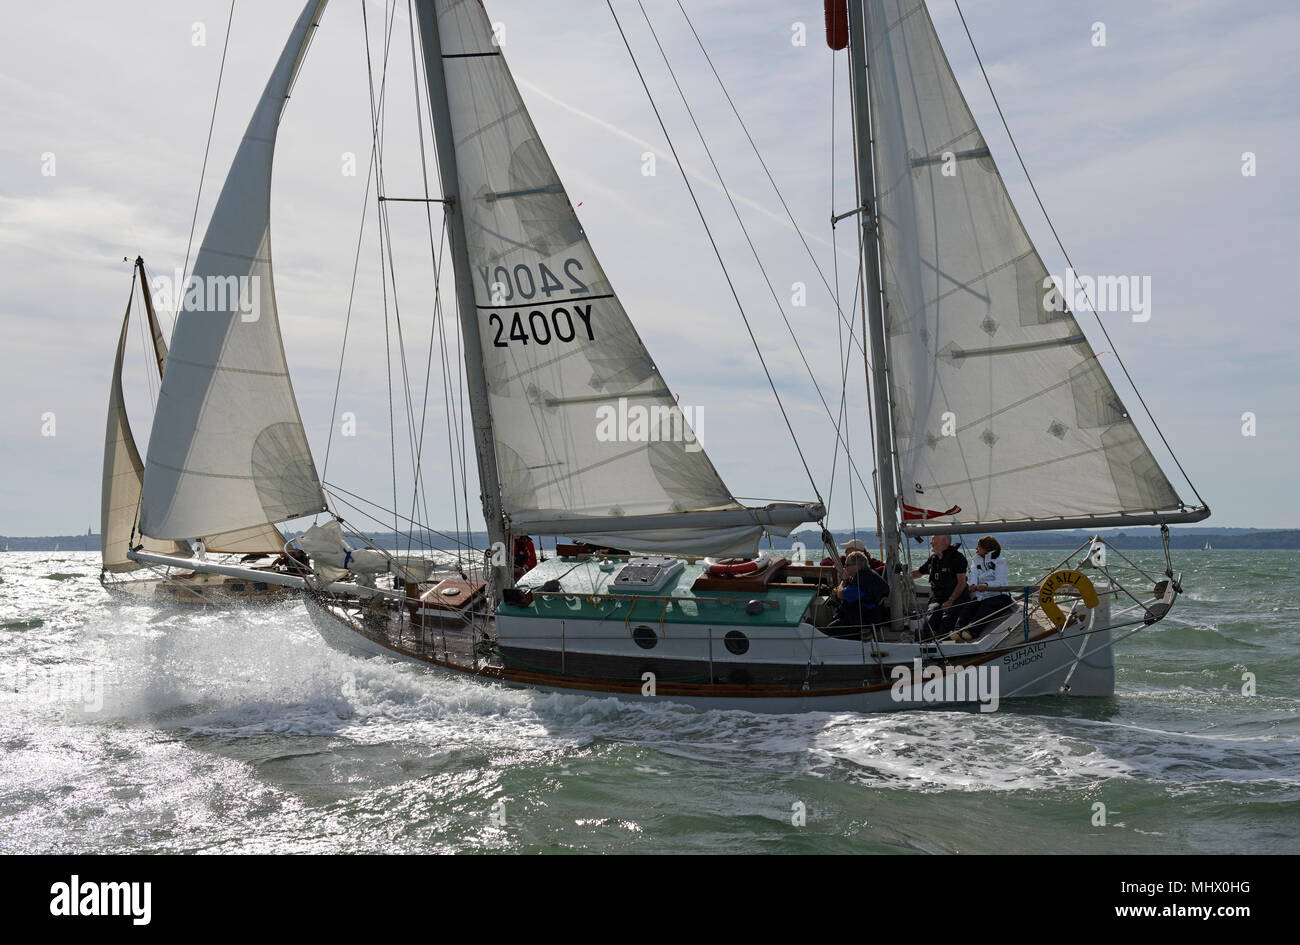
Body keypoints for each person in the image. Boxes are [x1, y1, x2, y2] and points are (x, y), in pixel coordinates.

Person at [952, 536, 1015, 641]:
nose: (976, 549)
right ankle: (957, 630)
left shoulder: (1000, 562)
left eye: (979, 546)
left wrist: (986, 585)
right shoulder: (976, 560)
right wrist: (972, 584)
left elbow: (1000, 581)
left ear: (987, 548)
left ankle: (972, 632)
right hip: (983, 595)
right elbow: (973, 574)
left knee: (985, 607)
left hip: (1000, 596)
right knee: (969, 607)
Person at [910, 534, 971, 640]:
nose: (931, 542)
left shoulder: (957, 558)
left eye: (934, 540)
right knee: (931, 619)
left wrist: (950, 600)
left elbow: (961, 583)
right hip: (938, 598)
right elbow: (919, 573)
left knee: (946, 623)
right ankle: (927, 639)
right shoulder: (933, 559)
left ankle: (944, 641)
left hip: (956, 598)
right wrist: (902, 575)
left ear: (944, 541)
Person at [825, 551, 891, 638]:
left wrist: (843, 580)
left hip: (864, 620)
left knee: (829, 630)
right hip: (874, 616)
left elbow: (840, 595)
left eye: (847, 565)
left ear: (856, 566)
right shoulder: (869, 574)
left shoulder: (860, 582)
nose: (845, 568)